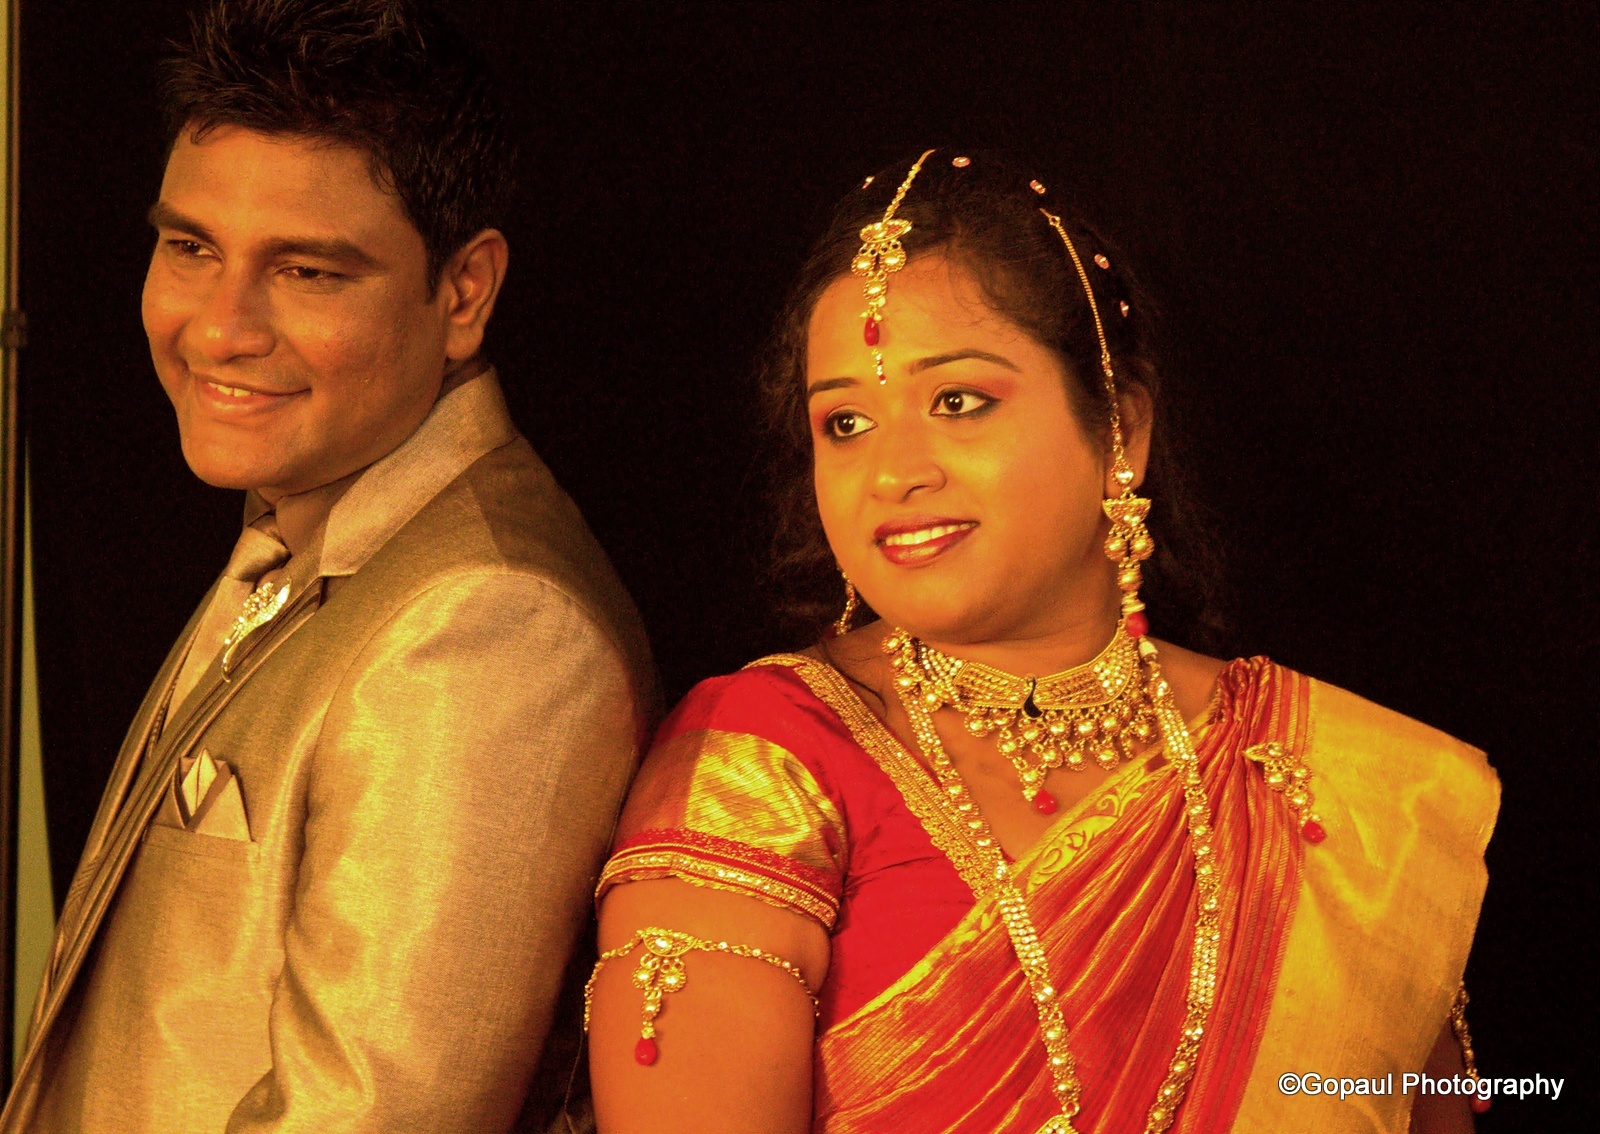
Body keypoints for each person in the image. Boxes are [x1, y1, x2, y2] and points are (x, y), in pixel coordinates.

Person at [585, 149, 1498, 1133]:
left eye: (958, 402)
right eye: (844, 422)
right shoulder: (764, 764)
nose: (892, 471)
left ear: (1121, 428)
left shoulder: (1342, 786)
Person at [1, 2, 655, 1131]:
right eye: (190, 248)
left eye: (306, 271)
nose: (219, 329)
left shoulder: (488, 624)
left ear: (464, 291)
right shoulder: (316, 519)